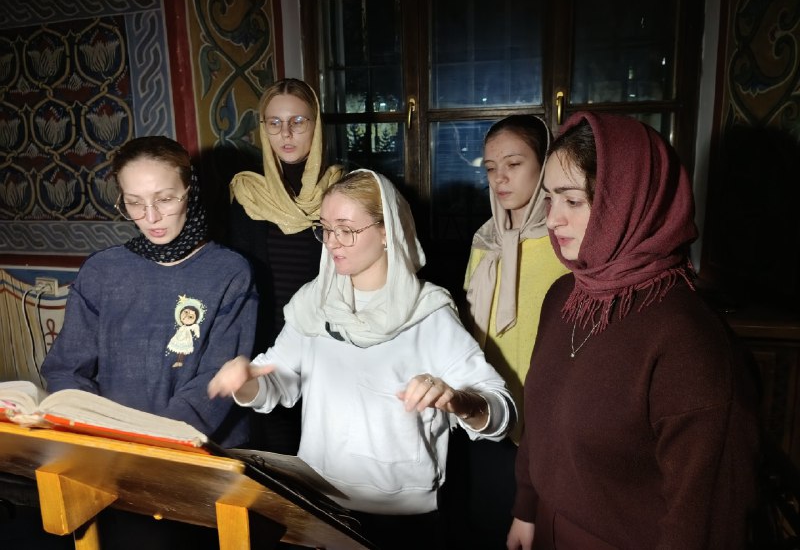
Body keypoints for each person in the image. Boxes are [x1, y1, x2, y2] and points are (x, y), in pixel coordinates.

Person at [209, 169, 515, 550]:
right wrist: (247, 381)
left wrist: (457, 399)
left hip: (403, 519)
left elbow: (502, 412)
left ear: (387, 231)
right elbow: (277, 381)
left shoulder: (428, 313)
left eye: (346, 230)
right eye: (325, 229)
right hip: (320, 506)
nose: (332, 242)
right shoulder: (314, 304)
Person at [507, 112, 760, 549]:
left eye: (572, 201)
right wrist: (527, 508)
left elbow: (704, 515)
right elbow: (541, 420)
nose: (552, 220)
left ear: (626, 201)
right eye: (549, 199)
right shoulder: (565, 295)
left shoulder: (688, 339)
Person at [40, 136, 258, 549]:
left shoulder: (229, 271)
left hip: (200, 455)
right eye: (134, 203)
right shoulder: (102, 271)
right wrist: (99, 431)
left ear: (190, 191)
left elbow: (218, 375)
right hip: (116, 458)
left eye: (166, 199)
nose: (151, 216)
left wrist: (153, 442)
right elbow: (67, 367)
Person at [459, 115, 568, 547]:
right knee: (487, 526)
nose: (499, 178)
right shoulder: (484, 241)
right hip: (489, 413)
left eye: (514, 164)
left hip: (547, 424)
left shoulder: (565, 242)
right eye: (490, 167)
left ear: (544, 165)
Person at [227, 77, 343, 453]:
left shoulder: (345, 190)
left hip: (332, 344)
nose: (286, 133)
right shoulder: (247, 195)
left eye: (298, 121)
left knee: (331, 452)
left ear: (317, 124)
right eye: (274, 123)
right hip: (269, 347)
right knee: (279, 455)